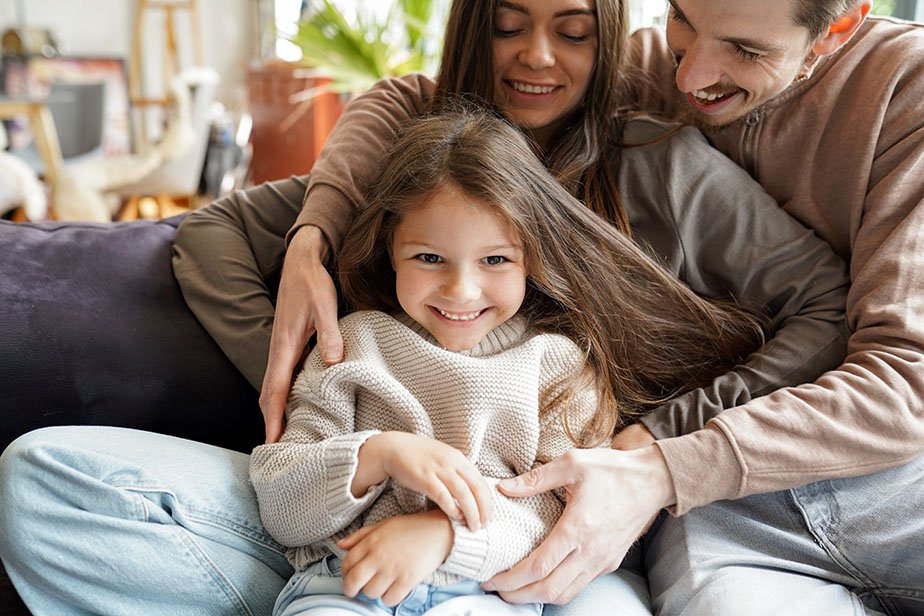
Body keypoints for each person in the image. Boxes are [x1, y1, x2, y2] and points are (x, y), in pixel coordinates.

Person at [0, 0, 852, 614]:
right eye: (509, 24)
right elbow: (216, 237)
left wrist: (658, 443)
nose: (537, 57)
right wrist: (311, 355)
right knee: (41, 475)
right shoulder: (416, 156)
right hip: (347, 519)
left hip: (530, 534)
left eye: (573, 30)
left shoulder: (656, 170)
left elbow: (822, 305)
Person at [252, 106, 765, 615]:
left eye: (495, 259)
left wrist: (444, 536)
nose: (461, 290)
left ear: (532, 257)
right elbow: (280, 499)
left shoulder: (559, 367)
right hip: (347, 586)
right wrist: (379, 454)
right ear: (390, 249)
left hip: (484, 596)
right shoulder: (352, 345)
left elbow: (562, 513)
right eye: (429, 258)